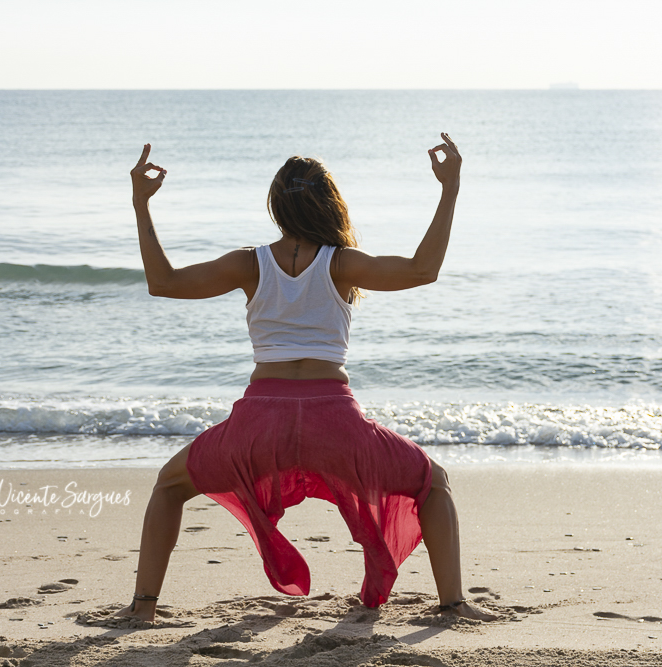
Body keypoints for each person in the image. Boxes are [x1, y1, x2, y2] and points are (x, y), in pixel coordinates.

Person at [115, 134, 495, 624]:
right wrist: (450, 189)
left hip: (258, 424)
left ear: (276, 206)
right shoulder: (341, 263)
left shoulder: (248, 263)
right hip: (335, 422)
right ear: (330, 204)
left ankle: (142, 608)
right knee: (433, 485)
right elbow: (423, 270)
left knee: (169, 486)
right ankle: (454, 604)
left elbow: (162, 283)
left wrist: (141, 205)